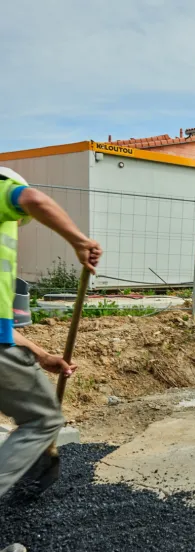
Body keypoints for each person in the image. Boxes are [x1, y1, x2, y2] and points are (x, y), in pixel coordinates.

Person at [0, 167, 102, 502]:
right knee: (42, 419)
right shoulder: (6, 190)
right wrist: (79, 241)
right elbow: (31, 198)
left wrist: (41, 356)